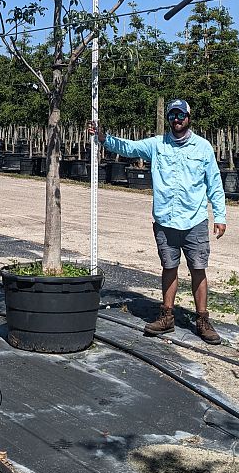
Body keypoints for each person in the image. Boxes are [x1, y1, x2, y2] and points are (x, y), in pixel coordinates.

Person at [88, 99, 227, 344]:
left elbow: (214, 183)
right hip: (165, 219)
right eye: (173, 115)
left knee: (198, 269)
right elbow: (129, 148)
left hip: (194, 220)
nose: (177, 119)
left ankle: (202, 320)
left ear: (188, 118)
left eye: (181, 115)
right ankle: (167, 316)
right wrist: (103, 138)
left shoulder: (203, 148)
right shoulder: (157, 144)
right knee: (169, 267)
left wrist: (220, 215)